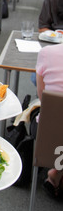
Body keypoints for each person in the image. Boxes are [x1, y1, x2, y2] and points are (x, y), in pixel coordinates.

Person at [35, 44, 63, 198]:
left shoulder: (47, 53)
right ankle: (56, 173)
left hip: (47, 137)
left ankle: (54, 170)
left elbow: (42, 96)